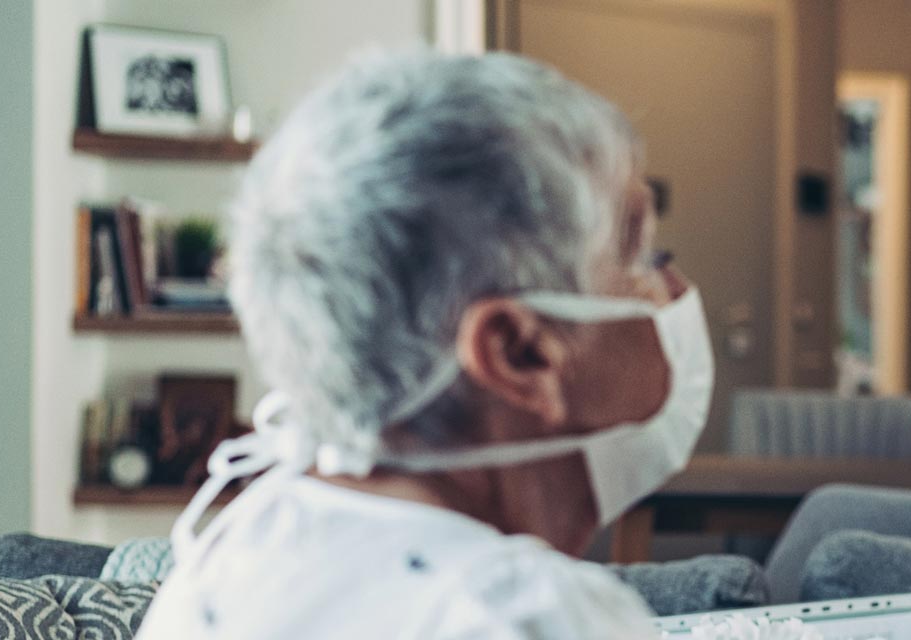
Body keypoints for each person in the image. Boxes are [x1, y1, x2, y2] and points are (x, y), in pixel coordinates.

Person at [138, 50, 712, 639]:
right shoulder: (521, 616)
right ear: (519, 353)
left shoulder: (227, 557)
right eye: (640, 255)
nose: (673, 292)